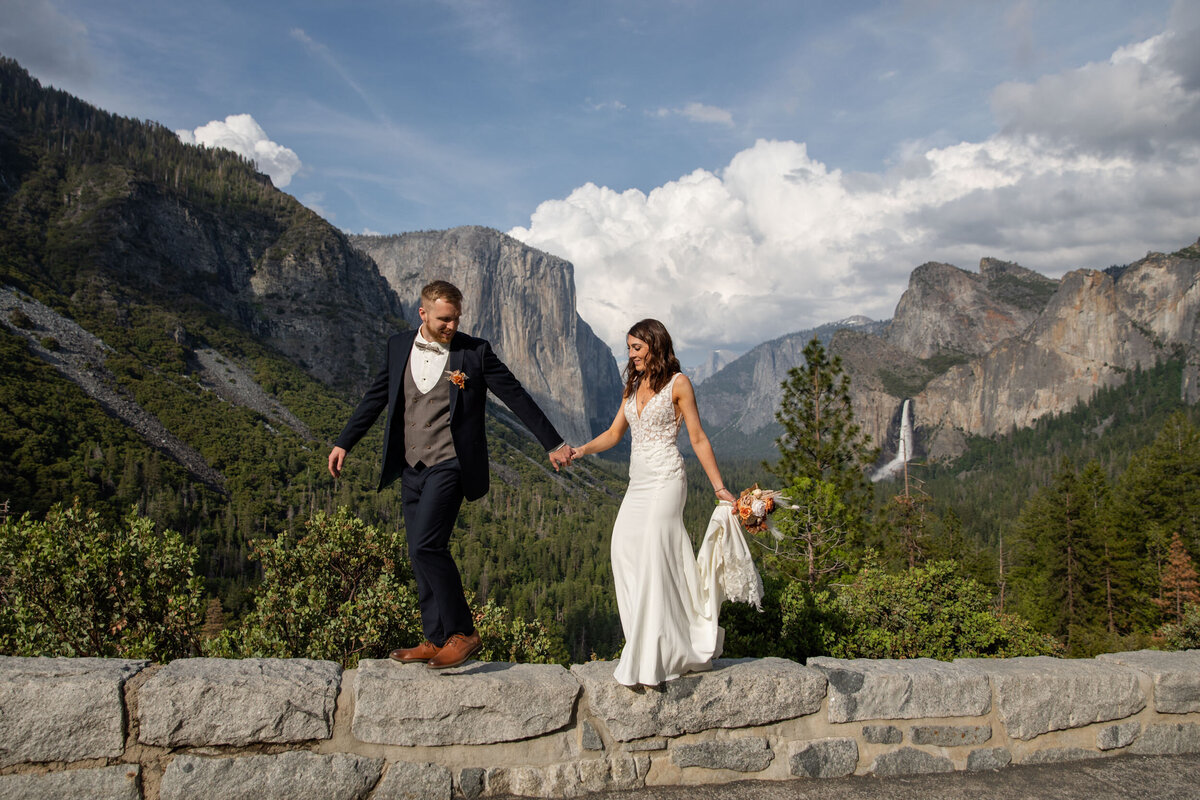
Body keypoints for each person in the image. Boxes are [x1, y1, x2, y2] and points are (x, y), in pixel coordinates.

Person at [328, 280, 574, 669]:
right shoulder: (397, 346)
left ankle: (464, 633)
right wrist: (345, 442)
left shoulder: (474, 353)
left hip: (452, 463)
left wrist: (553, 442)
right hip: (411, 466)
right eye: (444, 319)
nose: (451, 326)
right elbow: (376, 397)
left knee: (428, 544)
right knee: (416, 552)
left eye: (456, 318)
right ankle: (437, 637)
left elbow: (516, 396)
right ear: (423, 314)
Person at [572, 318, 741, 687]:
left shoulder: (679, 383)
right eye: (629, 348)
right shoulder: (632, 385)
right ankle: (645, 641)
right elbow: (616, 433)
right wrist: (581, 450)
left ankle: (654, 656)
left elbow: (697, 438)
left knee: (653, 554)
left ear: (655, 345)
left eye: (637, 347)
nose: (630, 354)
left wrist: (719, 488)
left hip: (667, 479)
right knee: (622, 550)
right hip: (638, 483)